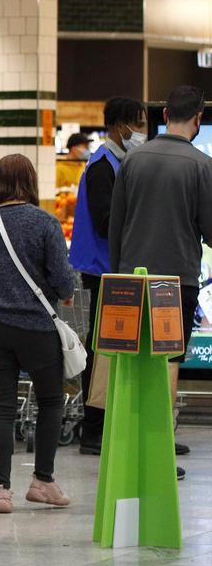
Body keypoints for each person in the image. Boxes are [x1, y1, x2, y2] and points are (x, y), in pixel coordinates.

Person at [109, 84, 212, 480]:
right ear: (198, 119)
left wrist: (118, 276)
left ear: (166, 113)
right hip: (177, 282)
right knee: (169, 362)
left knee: (131, 361)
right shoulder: (201, 166)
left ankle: (127, 444)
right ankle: (160, 449)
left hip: (130, 281)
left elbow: (116, 225)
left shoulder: (133, 161)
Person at [0, 155, 76, 514]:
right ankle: (43, 481)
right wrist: (63, 291)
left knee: (1, 407)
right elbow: (63, 280)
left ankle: (1, 491)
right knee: (49, 402)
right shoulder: (45, 222)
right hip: (37, 328)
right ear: (31, 181)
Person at [68, 97, 147, 455]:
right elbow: (105, 219)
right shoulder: (103, 165)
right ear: (122, 125)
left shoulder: (118, 161)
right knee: (102, 348)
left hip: (112, 268)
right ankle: (93, 429)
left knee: (106, 347)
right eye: (139, 124)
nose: (143, 132)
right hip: (103, 270)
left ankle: (102, 425)